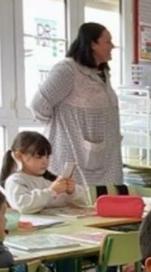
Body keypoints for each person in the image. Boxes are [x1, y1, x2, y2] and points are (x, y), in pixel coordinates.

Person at [30, 22, 122, 186]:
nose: (112, 46)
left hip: (106, 159)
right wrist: (61, 125)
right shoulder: (67, 70)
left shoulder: (103, 73)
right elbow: (38, 105)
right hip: (73, 156)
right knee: (76, 203)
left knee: (107, 203)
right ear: (92, 44)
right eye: (107, 41)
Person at [2, 131, 90, 214]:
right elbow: (23, 206)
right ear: (19, 156)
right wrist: (51, 191)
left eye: (47, 157)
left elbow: (84, 203)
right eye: (39, 157)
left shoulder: (50, 180)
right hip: (34, 229)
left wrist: (72, 191)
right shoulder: (15, 181)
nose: (45, 162)